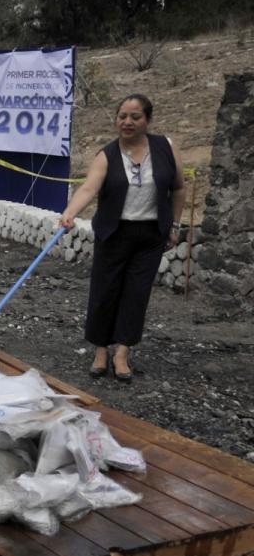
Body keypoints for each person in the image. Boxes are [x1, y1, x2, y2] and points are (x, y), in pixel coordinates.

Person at [59, 94, 185, 382]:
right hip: (114, 233)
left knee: (137, 293)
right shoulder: (107, 154)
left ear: (147, 120)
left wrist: (175, 225)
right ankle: (101, 350)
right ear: (116, 120)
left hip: (151, 234)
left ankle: (122, 352)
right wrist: (70, 212)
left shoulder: (165, 148)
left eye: (135, 117)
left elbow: (178, 188)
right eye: (122, 116)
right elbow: (89, 188)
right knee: (105, 292)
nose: (127, 122)